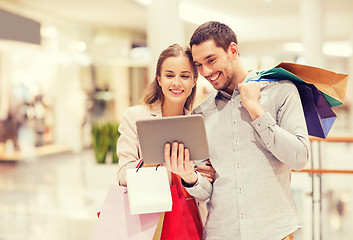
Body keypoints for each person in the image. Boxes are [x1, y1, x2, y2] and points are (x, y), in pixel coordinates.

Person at [164, 21, 310, 240]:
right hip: (221, 233)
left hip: (273, 232)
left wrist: (256, 110)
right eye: (199, 65)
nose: (207, 72)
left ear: (233, 50)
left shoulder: (281, 91)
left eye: (211, 60)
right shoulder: (202, 113)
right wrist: (188, 176)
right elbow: (207, 191)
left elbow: (299, 158)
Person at [116, 43, 216, 239]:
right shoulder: (135, 117)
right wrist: (151, 162)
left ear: (194, 80)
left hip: (191, 222)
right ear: (159, 79)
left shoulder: (202, 123)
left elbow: (206, 192)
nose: (176, 83)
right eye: (170, 75)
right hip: (147, 221)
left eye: (184, 76)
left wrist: (190, 176)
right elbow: (122, 176)